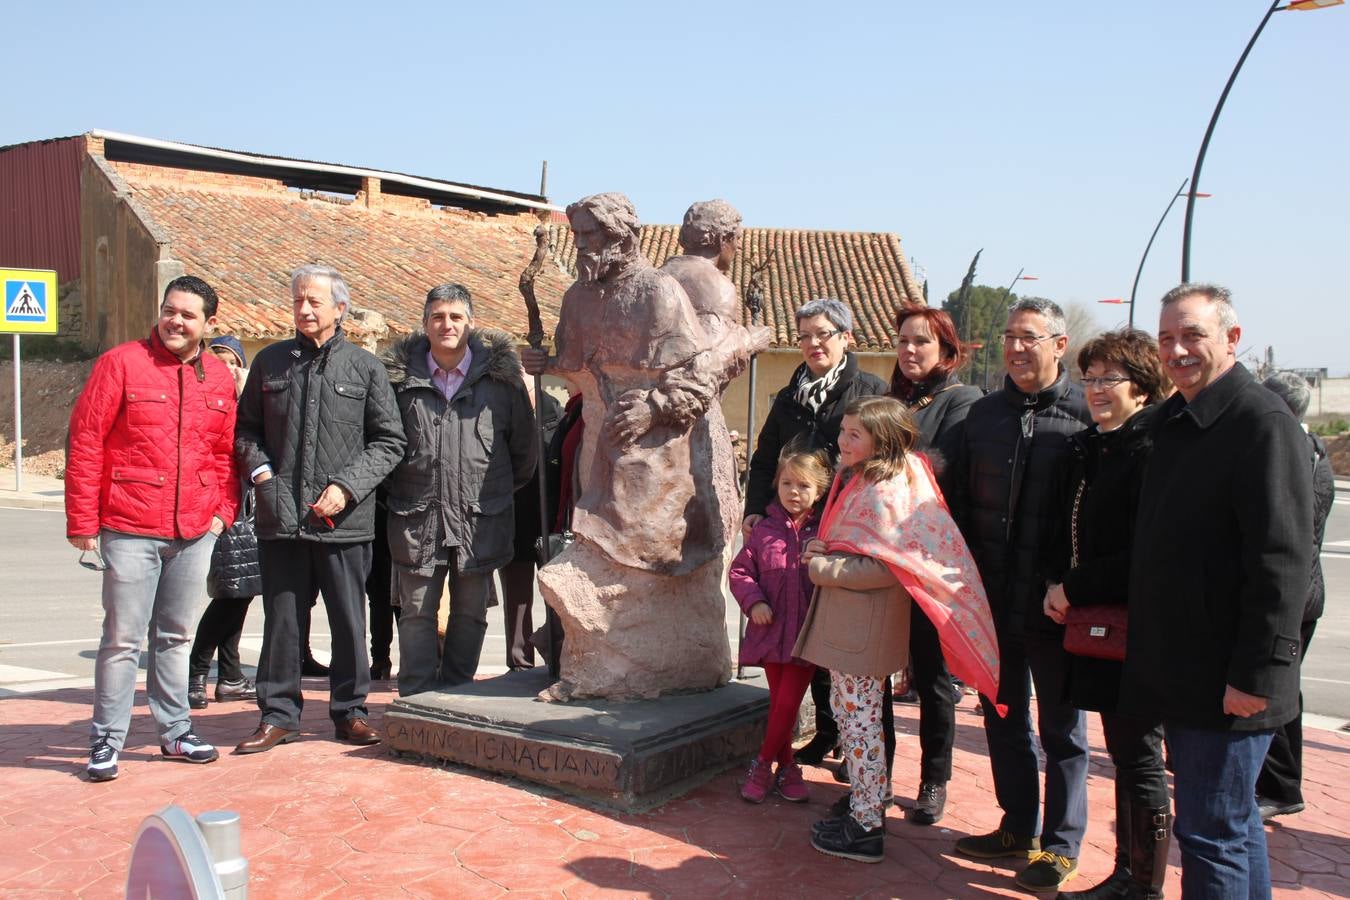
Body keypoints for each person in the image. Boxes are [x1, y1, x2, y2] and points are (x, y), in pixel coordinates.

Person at [1122, 284, 1312, 898]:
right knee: (1229, 826)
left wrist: (1256, 674)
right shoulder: (1179, 419)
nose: (1177, 350)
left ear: (1232, 339)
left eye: (1192, 335)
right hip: (1186, 669)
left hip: (1230, 681)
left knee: (1210, 834)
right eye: (1166, 338)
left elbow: (1282, 563)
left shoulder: (1260, 423)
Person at [522, 192, 732, 701]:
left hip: (655, 456)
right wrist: (543, 362)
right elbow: (575, 363)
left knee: (641, 566)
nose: (582, 245)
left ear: (624, 236)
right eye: (577, 235)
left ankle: (637, 667)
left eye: (592, 235)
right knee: (590, 558)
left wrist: (654, 409)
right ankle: (598, 668)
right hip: (598, 445)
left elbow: (697, 378)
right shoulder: (578, 296)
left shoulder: (658, 292)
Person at [797, 396, 1000, 863]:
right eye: (843, 431)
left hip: (862, 626)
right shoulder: (887, 477)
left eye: (853, 434)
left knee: (861, 723)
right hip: (857, 624)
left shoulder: (885, 491)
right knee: (855, 719)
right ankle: (866, 810)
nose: (841, 441)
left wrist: (822, 566)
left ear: (880, 440)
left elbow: (887, 567)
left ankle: (866, 826)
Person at [66, 275, 240, 781]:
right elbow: (86, 442)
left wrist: (220, 515)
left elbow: (227, 455)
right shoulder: (121, 363)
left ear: (210, 324)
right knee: (122, 639)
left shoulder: (219, 378)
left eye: (187, 315)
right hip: (129, 524)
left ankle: (175, 732)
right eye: (169, 310)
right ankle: (106, 740)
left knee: (176, 637)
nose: (175, 321)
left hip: (193, 530)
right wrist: (82, 520)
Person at [948, 297, 1093, 893]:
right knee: (1002, 716)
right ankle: (1017, 824)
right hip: (991, 598)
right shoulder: (982, 418)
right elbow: (955, 506)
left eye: (1029, 336)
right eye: (1009, 336)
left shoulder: (1087, 417)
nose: (1015, 347)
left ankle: (1061, 845)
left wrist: (1075, 584)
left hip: (1055, 604)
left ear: (1060, 345)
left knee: (1063, 730)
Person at [233, 264, 405, 753]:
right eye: (298, 302)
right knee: (283, 621)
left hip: (343, 522)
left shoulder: (365, 368)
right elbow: (246, 432)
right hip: (280, 517)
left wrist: (347, 488)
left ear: (340, 308)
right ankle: (278, 715)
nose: (305, 310)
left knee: (350, 620)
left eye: (315, 302)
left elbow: (390, 441)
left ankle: (350, 712)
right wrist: (263, 477)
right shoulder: (270, 363)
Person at [1041, 329, 1171, 899]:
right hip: (1091, 618)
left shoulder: (1151, 451)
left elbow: (1146, 549)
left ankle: (1141, 882)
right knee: (1124, 753)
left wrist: (1071, 586)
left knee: (1140, 756)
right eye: (1089, 377)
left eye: (1108, 378)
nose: (1095, 388)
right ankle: (1126, 873)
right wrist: (1056, 584)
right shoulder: (1093, 446)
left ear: (1141, 388)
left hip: (1137, 625)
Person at [743, 297, 888, 770]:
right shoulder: (790, 395)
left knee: (850, 647)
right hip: (796, 531)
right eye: (804, 335)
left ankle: (864, 752)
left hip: (848, 531)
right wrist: (752, 511)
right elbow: (766, 456)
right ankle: (827, 733)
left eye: (822, 333)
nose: (812, 343)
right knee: (808, 638)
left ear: (846, 337)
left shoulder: (867, 391)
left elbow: (886, 462)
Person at [382, 284, 535, 694]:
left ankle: (456, 697)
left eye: (455, 317)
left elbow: (523, 454)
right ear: (425, 323)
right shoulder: (397, 382)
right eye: (437, 317)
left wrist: (489, 493)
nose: (446, 324)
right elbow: (382, 447)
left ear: (470, 322)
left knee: (470, 612)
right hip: (416, 516)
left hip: (480, 519)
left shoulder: (501, 383)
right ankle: (415, 698)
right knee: (415, 612)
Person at [886, 303, 982, 826]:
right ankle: (872, 774)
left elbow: (940, 468)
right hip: (882, 555)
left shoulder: (961, 401)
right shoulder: (889, 398)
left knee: (932, 676)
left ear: (946, 350)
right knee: (871, 669)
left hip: (930, 557)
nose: (909, 351)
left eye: (921, 342)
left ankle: (934, 778)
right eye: (903, 341)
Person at [729, 448, 832, 804]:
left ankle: (761, 764)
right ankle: (787, 768)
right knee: (780, 704)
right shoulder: (763, 530)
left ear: (819, 491)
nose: (793, 491)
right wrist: (754, 601)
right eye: (787, 483)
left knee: (787, 703)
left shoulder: (826, 532)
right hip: (771, 632)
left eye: (803, 485)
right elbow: (741, 571)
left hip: (807, 635)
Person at [1255, 371, 1335, 823]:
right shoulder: (1310, 448)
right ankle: (1280, 782)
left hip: (1294, 597)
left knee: (1275, 696)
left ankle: (1282, 787)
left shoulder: (1297, 453)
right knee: (1283, 694)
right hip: (1303, 592)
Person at [188, 336, 259, 710]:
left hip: (248, 510)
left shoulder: (245, 402)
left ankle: (230, 676)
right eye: (221, 359)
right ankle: (196, 672)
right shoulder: (205, 400)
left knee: (241, 591)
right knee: (230, 593)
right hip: (218, 507)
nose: (229, 367)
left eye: (235, 361)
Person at [499, 366, 563, 671]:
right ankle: (519, 662)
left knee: (558, 599)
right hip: (513, 523)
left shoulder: (557, 419)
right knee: (517, 600)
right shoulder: (503, 417)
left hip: (552, 525)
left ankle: (558, 656)